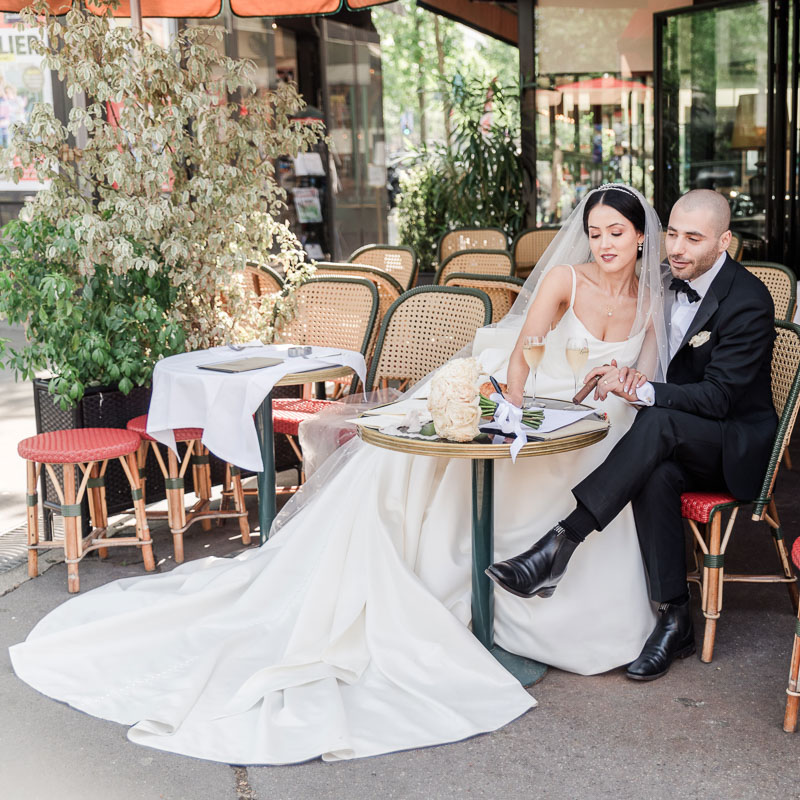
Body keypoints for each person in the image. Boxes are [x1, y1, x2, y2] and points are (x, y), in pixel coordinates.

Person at [10, 185, 668, 765]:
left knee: (604, 476)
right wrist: (516, 411)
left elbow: (648, 375)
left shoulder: (649, 298)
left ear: (641, 237)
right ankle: (484, 594)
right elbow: (526, 354)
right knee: (446, 470)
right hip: (541, 400)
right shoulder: (566, 281)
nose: (604, 244)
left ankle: (550, 596)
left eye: (616, 233)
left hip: (602, 418)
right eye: (595, 233)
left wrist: (630, 384)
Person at [487, 189, 777, 682]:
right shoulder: (661, 282)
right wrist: (628, 379)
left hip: (729, 442)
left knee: (656, 421)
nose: (678, 248)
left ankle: (560, 543)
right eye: (674, 235)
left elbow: (718, 399)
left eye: (694, 238)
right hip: (674, 437)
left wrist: (643, 391)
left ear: (725, 240)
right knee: (657, 470)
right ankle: (673, 618)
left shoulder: (748, 299)